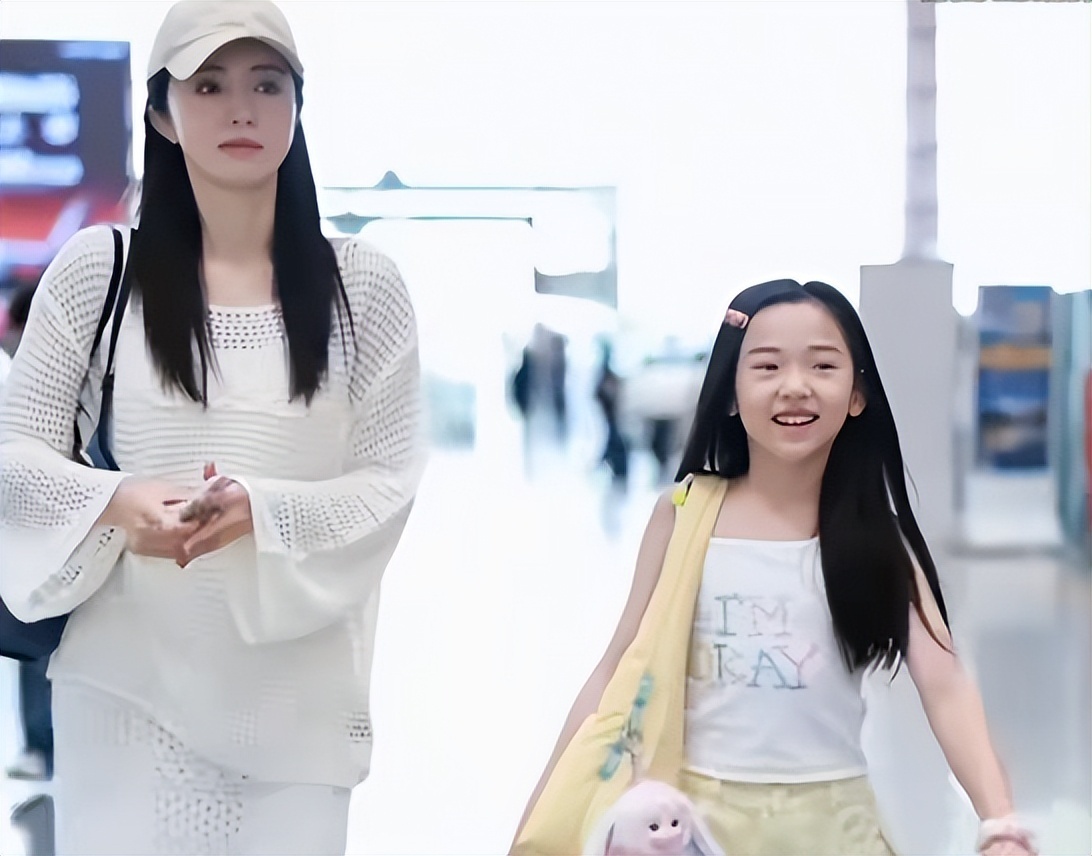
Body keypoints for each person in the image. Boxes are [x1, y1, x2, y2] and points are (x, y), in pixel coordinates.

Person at [0, 1, 423, 854]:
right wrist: (118, 501)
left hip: (299, 706)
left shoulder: (364, 287)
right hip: (122, 692)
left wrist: (260, 510)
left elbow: (390, 481)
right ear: (162, 112)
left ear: (297, 106)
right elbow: (13, 454)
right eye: (209, 85)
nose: (241, 109)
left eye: (267, 85)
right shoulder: (99, 270)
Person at [513, 280, 1035, 856]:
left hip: (832, 829)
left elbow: (945, 684)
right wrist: (544, 814)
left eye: (823, 365)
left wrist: (1001, 824)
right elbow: (618, 666)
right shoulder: (683, 516)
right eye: (767, 366)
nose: (795, 387)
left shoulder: (876, 538)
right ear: (731, 394)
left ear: (857, 395)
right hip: (695, 827)